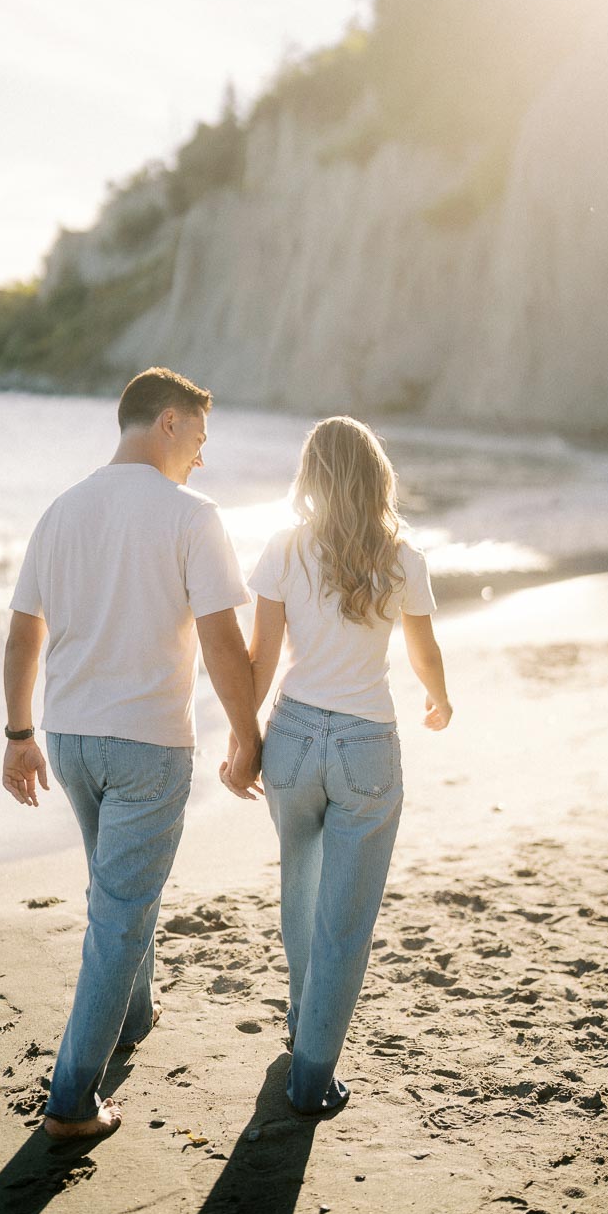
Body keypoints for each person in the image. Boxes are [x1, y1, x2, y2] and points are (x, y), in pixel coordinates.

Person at [3, 367, 262, 1140]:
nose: (204, 459)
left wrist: (19, 736)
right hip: (147, 743)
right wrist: (249, 737)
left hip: (71, 738)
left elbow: (24, 634)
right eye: (202, 439)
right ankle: (72, 1100)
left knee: (114, 889)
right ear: (171, 423)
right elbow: (222, 642)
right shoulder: (191, 514)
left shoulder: (61, 510)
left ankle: (135, 1008)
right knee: (118, 912)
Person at [220, 416, 452, 1115]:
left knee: (301, 886)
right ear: (378, 476)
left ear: (310, 477)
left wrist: (243, 741)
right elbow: (423, 651)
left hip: (292, 737)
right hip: (366, 747)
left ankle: (300, 1018)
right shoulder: (401, 554)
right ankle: (311, 1077)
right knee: (345, 923)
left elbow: (261, 660)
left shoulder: (286, 548)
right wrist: (438, 700)